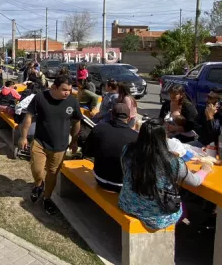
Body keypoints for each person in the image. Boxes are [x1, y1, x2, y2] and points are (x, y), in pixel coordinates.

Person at [119, 119, 211, 230]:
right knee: (184, 209)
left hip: (127, 204)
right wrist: (204, 170)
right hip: (156, 216)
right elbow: (195, 182)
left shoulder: (128, 149)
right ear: (163, 138)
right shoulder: (171, 161)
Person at [18, 75, 82, 215]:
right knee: (37, 170)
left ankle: (47, 198)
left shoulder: (72, 101)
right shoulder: (40, 97)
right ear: (54, 87)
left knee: (52, 174)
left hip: (60, 146)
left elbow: (77, 121)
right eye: (64, 89)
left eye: (70, 90)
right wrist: (23, 137)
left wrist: (75, 141)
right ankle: (39, 184)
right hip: (40, 142)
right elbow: (28, 117)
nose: (67, 93)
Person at [83, 104, 139, 192]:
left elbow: (88, 152)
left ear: (111, 116)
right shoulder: (136, 137)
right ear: (129, 118)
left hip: (100, 178)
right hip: (123, 184)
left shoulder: (99, 128)